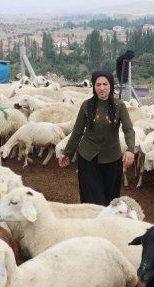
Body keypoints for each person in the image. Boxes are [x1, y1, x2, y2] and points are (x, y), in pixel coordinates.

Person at [58, 70, 135, 206]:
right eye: (98, 84)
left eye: (105, 84)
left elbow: (128, 129)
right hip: (88, 158)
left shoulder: (119, 106)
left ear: (111, 85)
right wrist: (67, 152)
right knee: (92, 199)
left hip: (112, 159)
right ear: (93, 86)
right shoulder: (86, 106)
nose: (102, 88)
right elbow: (77, 132)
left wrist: (130, 149)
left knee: (110, 200)